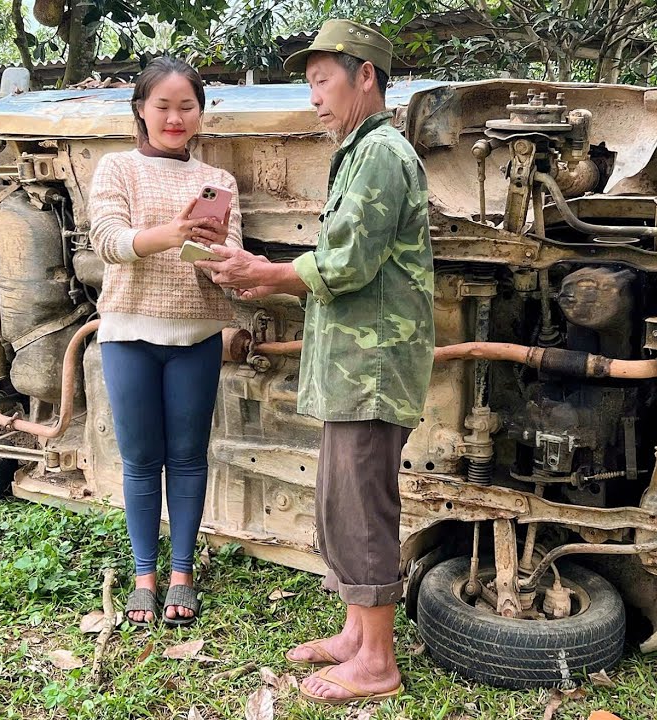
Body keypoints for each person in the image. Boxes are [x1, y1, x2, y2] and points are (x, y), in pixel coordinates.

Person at [197, 19, 434, 705]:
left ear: (366, 76)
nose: (315, 97)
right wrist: (264, 276)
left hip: (374, 366)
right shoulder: (359, 152)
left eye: (323, 81)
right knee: (341, 500)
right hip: (353, 363)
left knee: (362, 506)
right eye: (309, 85)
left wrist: (264, 273)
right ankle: (357, 637)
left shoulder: (382, 153)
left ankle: (378, 661)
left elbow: (348, 263)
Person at [88, 56, 241, 627]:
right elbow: (107, 241)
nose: (175, 117)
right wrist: (171, 234)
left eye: (187, 106)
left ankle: (182, 574)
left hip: (197, 334)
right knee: (140, 461)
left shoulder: (217, 181)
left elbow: (223, 267)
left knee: (187, 458)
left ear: (200, 115)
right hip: (128, 331)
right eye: (163, 106)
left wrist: (217, 251)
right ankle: (143, 575)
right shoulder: (116, 169)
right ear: (140, 111)